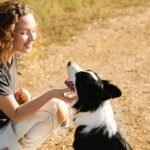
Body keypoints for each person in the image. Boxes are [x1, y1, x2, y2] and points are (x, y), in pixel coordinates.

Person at [0, 0, 76, 149]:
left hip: (5, 128)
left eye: (33, 30)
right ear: (7, 34)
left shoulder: (9, 55)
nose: (32, 37)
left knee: (59, 108)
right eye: (24, 32)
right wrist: (52, 94)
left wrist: (16, 98)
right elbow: (15, 114)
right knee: (54, 106)